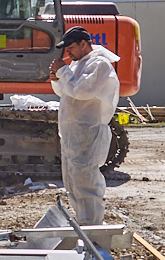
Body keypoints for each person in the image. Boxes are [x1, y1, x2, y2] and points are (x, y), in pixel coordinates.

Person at [49, 26, 121, 225]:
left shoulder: (100, 64)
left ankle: (92, 224)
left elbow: (83, 92)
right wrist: (57, 79)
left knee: (86, 179)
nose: (68, 52)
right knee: (72, 180)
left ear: (84, 44)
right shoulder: (76, 64)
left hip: (87, 130)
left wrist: (62, 71)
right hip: (72, 131)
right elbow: (66, 91)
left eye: (71, 47)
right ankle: (83, 222)